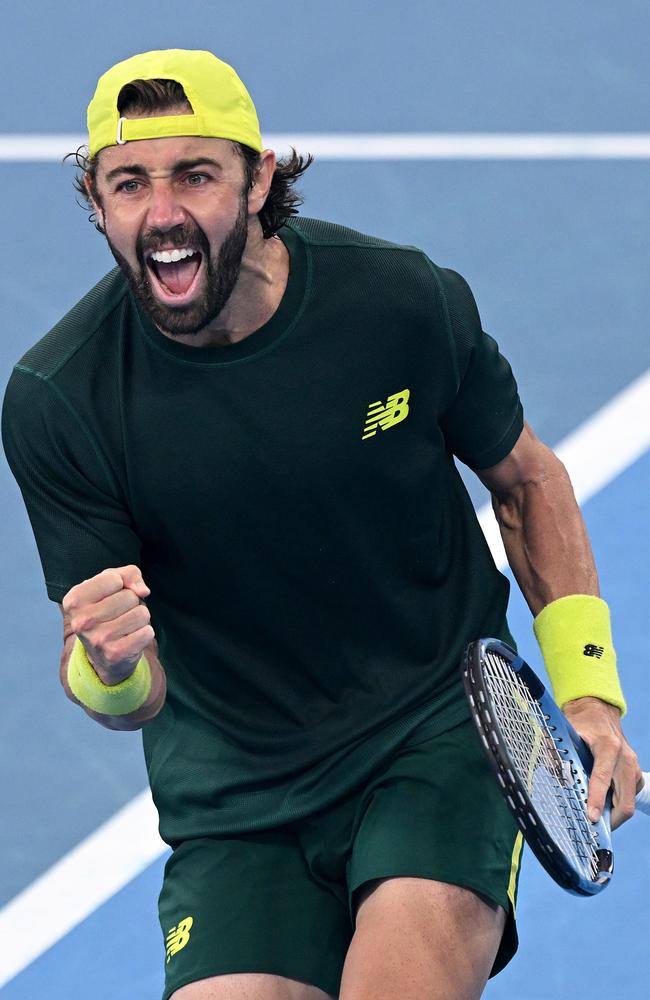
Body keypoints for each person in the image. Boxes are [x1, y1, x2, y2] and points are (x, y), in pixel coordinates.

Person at [1, 48, 641, 1000]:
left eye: (196, 174)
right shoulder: (61, 399)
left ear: (260, 181)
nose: (163, 211)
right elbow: (126, 693)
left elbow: (527, 481)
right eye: (129, 182)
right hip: (234, 798)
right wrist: (108, 664)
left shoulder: (397, 303)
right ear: (96, 201)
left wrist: (589, 692)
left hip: (436, 726)